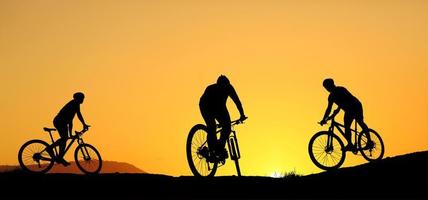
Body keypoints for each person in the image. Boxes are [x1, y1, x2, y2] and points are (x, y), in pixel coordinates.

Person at [199, 75, 247, 162]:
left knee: (227, 127)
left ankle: (219, 148)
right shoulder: (211, 89)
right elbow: (207, 106)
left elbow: (237, 101)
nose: (223, 89)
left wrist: (242, 114)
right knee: (211, 126)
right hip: (206, 106)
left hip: (220, 107)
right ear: (218, 85)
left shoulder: (229, 88)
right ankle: (212, 151)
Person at [319, 78, 372, 151]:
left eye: (327, 86)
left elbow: (345, 100)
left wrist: (336, 111)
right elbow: (329, 109)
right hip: (348, 110)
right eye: (325, 87)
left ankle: (369, 141)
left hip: (355, 106)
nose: (327, 89)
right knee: (346, 126)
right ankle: (350, 144)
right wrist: (324, 119)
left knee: (360, 122)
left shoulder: (341, 89)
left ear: (332, 84)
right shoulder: (331, 97)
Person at [52, 92, 89, 166]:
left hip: (62, 122)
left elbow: (71, 120)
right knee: (64, 138)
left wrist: (71, 133)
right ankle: (50, 149)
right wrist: (83, 124)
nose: (83, 100)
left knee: (64, 139)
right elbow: (76, 116)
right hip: (60, 121)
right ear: (79, 98)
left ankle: (60, 157)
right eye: (82, 98)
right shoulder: (74, 104)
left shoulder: (75, 104)